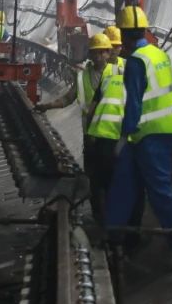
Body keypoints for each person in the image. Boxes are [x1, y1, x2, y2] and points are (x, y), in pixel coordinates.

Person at [104, 6, 172, 256]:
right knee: (123, 181)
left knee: (159, 190)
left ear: (124, 35)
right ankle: (111, 234)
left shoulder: (136, 62)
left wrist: (123, 136)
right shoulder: (158, 53)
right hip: (159, 130)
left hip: (150, 134)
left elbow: (133, 103)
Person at [38, 35, 122, 221]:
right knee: (93, 178)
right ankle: (99, 216)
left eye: (103, 52)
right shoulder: (82, 76)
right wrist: (47, 106)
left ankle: (113, 216)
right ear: (90, 54)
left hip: (111, 136)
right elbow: (68, 98)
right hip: (90, 135)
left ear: (108, 53)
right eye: (95, 52)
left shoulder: (118, 72)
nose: (99, 56)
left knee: (110, 178)